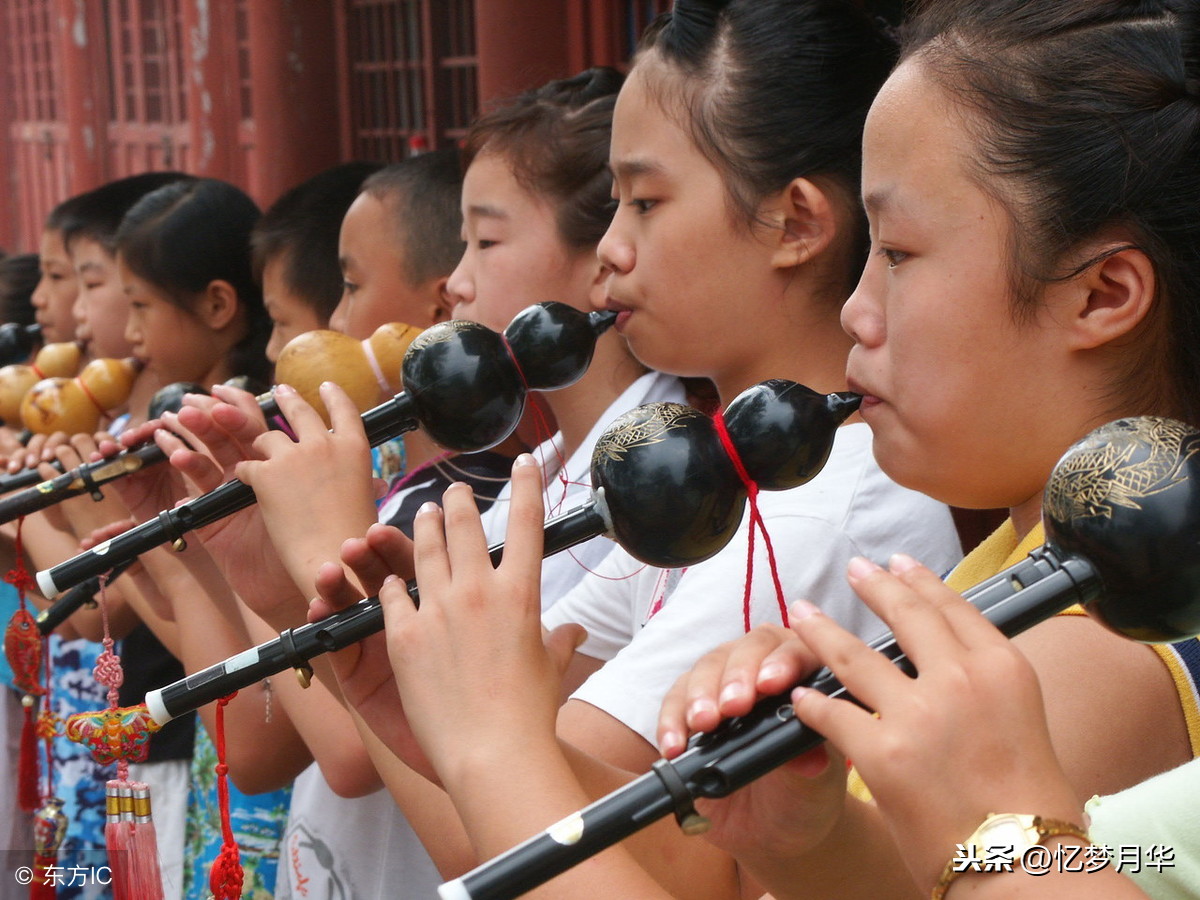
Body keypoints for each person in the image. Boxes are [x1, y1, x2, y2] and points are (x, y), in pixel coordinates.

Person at [311, 2, 961, 896]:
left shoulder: (826, 512)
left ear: (796, 224)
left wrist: (317, 551)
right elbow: (543, 777)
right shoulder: (699, 467)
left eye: (645, 202)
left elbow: (506, 831)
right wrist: (417, 690)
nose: (609, 251)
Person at [650, 1, 1200, 898]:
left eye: (899, 253)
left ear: (1101, 294)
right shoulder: (1021, 566)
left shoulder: (1097, 648)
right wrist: (810, 846)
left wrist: (489, 737)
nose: (855, 311)